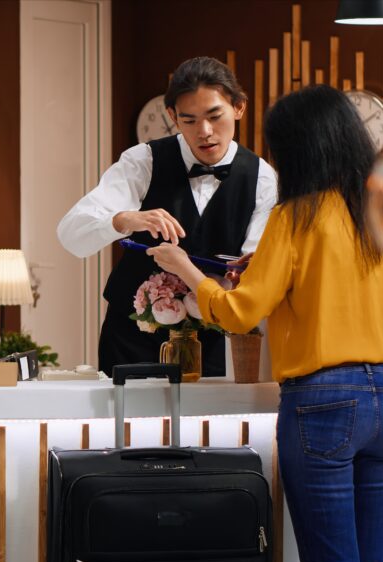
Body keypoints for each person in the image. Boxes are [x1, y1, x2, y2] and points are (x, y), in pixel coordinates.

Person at [149, 84, 383, 562]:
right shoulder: (381, 217)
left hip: (324, 402)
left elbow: (238, 315)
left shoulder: (294, 218)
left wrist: (184, 266)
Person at [57, 56, 277, 376]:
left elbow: (252, 273)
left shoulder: (262, 176)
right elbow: (71, 235)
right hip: (132, 341)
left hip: (214, 342)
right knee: (127, 427)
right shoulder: (143, 160)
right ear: (173, 116)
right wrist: (124, 220)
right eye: (189, 120)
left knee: (208, 427)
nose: (205, 132)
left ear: (239, 108)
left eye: (215, 116)